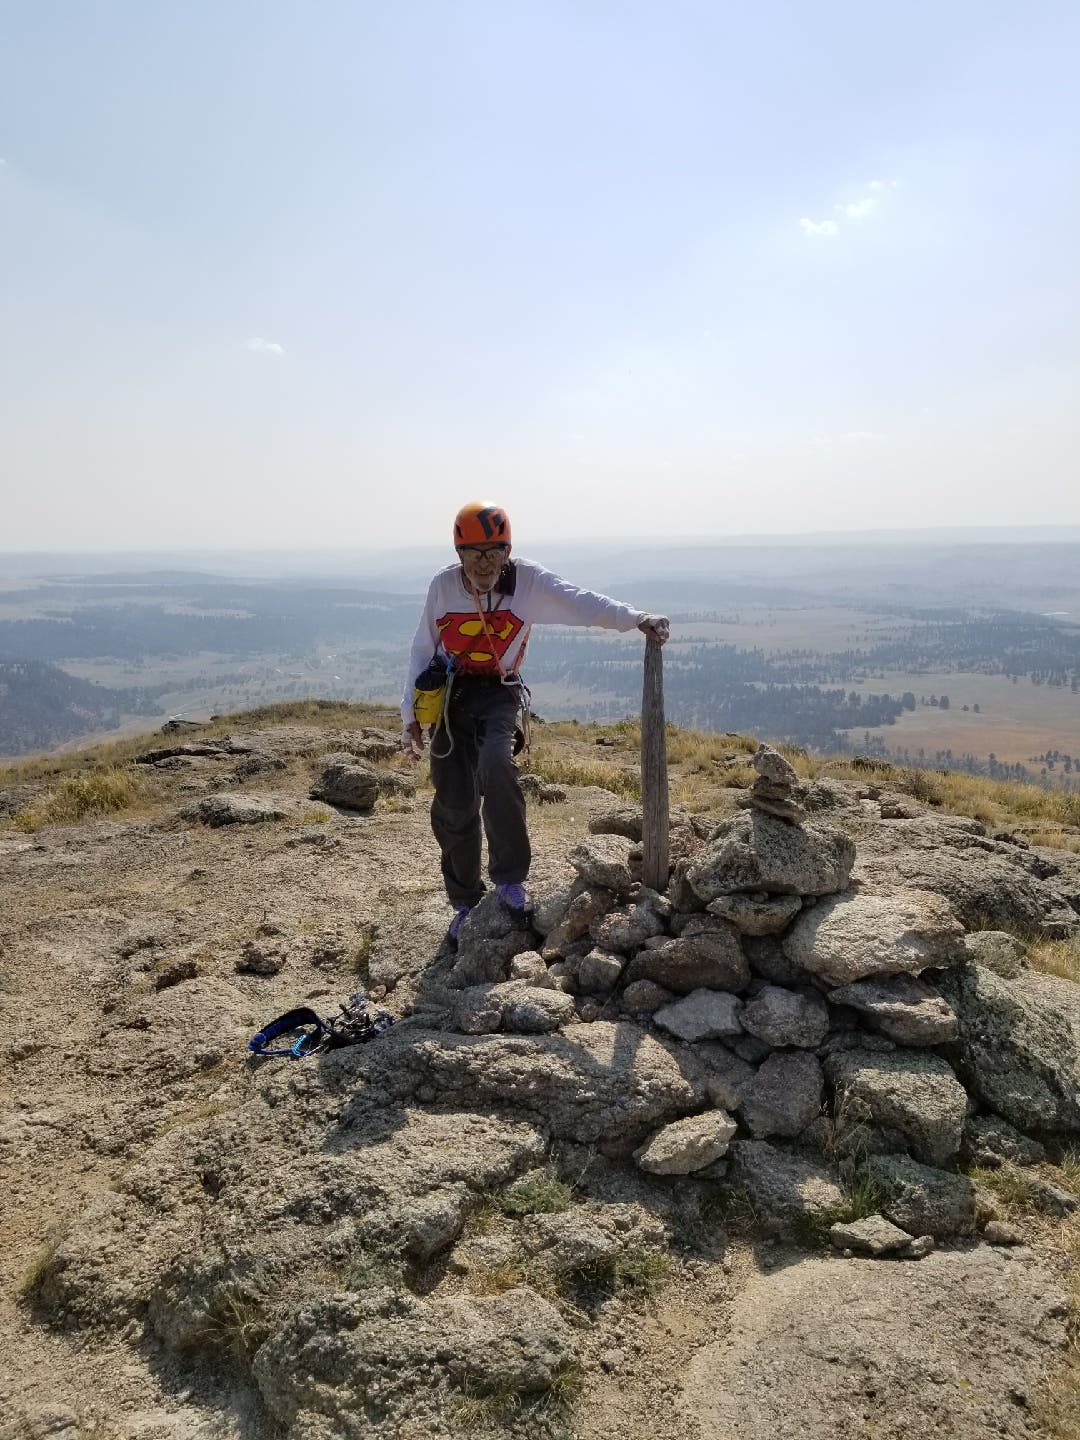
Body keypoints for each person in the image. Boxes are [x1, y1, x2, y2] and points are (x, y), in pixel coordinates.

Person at [402, 501, 669, 945]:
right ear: (459, 553)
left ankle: (510, 879)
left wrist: (635, 618)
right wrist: (410, 715)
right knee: (452, 800)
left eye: (493, 552)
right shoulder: (443, 587)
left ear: (507, 551)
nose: (484, 562)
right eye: (474, 552)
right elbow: (422, 647)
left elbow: (579, 601)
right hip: (451, 695)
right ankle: (464, 901)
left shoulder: (527, 582)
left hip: (499, 691)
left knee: (497, 766)